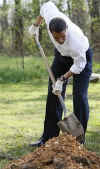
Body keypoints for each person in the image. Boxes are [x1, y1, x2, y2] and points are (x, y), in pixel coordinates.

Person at [28, 1, 93, 147]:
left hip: (81, 60)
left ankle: (78, 140)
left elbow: (79, 65)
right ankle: (48, 138)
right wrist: (36, 25)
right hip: (61, 57)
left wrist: (62, 79)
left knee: (79, 96)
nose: (61, 40)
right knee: (54, 95)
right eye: (57, 38)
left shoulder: (76, 42)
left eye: (63, 36)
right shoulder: (51, 16)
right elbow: (45, 6)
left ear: (67, 29)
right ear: (51, 32)